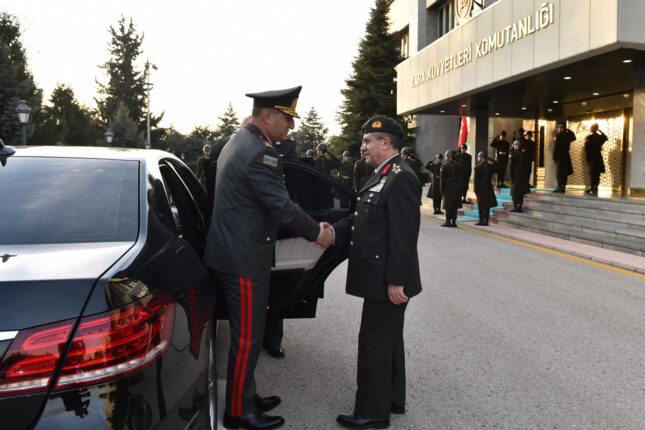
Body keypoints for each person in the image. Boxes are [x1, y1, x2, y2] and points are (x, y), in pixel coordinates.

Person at [204, 86, 335, 430]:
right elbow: (280, 205)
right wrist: (316, 232)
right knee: (248, 337)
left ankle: (245, 396)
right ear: (267, 116)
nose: (290, 126)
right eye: (286, 118)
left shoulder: (239, 140)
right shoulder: (262, 153)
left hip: (232, 253)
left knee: (246, 336)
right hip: (244, 259)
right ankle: (239, 412)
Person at [333, 115, 422, 430]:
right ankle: (392, 401)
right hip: (383, 276)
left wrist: (396, 281)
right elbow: (363, 219)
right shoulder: (384, 173)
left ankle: (372, 413)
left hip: (388, 279)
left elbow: (404, 235)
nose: (362, 148)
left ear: (386, 143)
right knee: (389, 340)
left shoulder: (400, 177)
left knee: (374, 342)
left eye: (368, 141)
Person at [473, 151, 498, 226]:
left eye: (479, 157)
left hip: (480, 187)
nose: (478, 158)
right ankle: (486, 220)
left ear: (482, 158)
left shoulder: (477, 168)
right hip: (488, 186)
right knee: (487, 204)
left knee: (481, 204)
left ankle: (481, 220)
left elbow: (476, 180)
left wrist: (475, 190)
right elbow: (496, 164)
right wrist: (490, 159)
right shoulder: (490, 166)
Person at [552, 122, 576, 193]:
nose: (558, 129)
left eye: (559, 128)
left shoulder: (558, 136)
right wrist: (568, 130)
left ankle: (559, 187)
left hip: (560, 156)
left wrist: (555, 157)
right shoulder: (568, 135)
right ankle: (563, 187)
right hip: (566, 156)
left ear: (561, 128)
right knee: (564, 173)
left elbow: (557, 147)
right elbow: (574, 137)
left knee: (559, 173)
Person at [584, 123, 607, 196]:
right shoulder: (599, 137)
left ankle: (592, 188)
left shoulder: (589, 137)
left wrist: (587, 157)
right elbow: (605, 137)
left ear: (593, 129)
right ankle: (595, 187)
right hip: (598, 157)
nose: (590, 129)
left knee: (592, 173)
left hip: (592, 157)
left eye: (591, 128)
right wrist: (600, 131)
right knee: (597, 174)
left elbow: (586, 148)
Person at [440, 150, 462, 227]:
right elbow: (461, 178)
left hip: (448, 187)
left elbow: (442, 180)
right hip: (456, 187)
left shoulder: (444, 167)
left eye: (446, 156)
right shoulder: (459, 166)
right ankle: (454, 221)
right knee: (454, 205)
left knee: (448, 205)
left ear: (449, 157)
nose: (445, 158)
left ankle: (448, 221)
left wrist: (441, 190)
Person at [509, 140, 530, 212]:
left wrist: (510, 177)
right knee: (521, 192)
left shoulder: (513, 154)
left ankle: (515, 206)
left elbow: (510, 166)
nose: (514, 146)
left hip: (515, 174)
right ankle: (520, 206)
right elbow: (527, 164)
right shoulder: (524, 153)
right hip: (522, 174)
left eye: (515, 145)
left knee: (515, 192)